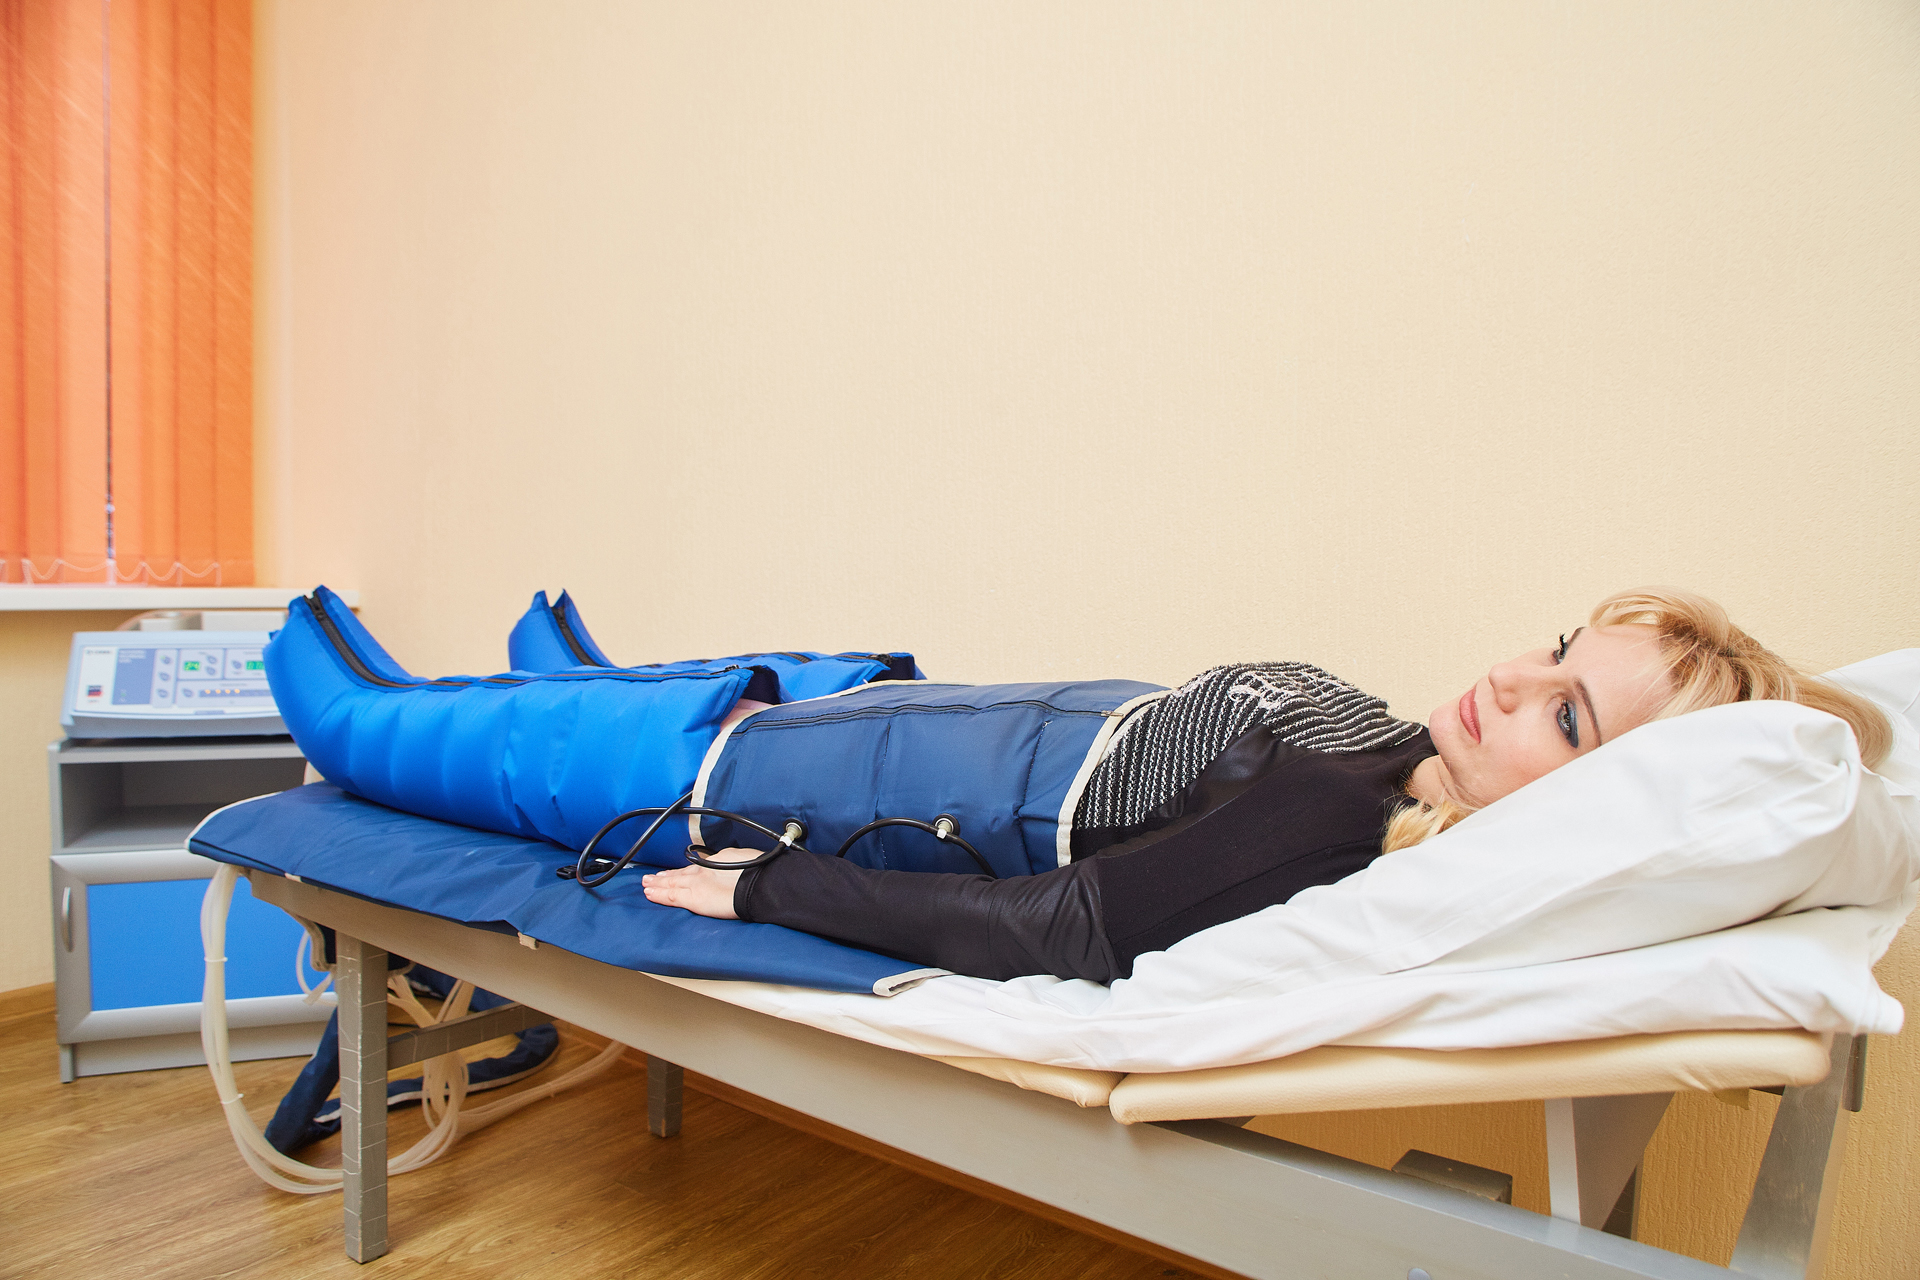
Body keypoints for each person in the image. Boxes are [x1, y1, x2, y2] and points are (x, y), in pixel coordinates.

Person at [641, 589, 1893, 983]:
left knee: (553, 732)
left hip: (868, 773)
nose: (1514, 674)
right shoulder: (1395, 748)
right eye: (1558, 647)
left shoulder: (1336, 823)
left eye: (1565, 714)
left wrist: (775, 888)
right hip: (916, 713)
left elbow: (1060, 927)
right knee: (603, 684)